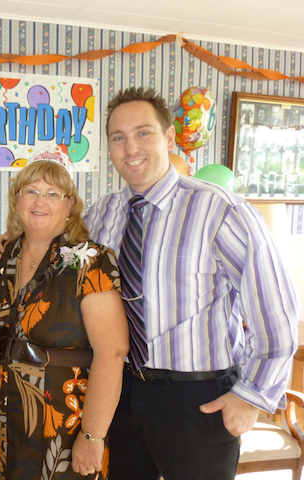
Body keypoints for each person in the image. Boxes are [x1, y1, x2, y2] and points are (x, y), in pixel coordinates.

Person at [84, 87, 299, 479]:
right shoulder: (101, 214)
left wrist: (251, 396)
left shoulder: (220, 208)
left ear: (169, 138)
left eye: (143, 132)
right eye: (118, 137)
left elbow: (273, 308)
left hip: (198, 400)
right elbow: (64, 262)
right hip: (122, 392)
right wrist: (10, 242)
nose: (131, 147)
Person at [0, 146, 129, 479]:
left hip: (61, 423)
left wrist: (92, 437)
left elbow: (113, 352)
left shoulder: (91, 261)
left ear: (70, 204)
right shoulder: (2, 257)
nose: (40, 201)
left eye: (52, 193)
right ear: (17, 200)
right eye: (31, 191)